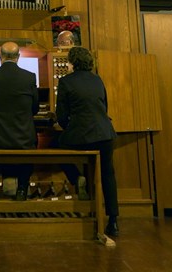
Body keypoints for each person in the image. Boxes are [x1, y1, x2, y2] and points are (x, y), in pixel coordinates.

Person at [55, 45, 119, 237]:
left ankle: (77, 178)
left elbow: (61, 116)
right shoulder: (97, 80)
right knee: (108, 173)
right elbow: (104, 107)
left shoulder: (66, 82)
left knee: (55, 145)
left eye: (68, 62)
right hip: (105, 134)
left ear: (72, 63)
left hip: (81, 135)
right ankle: (113, 221)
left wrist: (70, 128)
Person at [0, 41, 39, 200]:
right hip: (22, 139)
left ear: (0, 56)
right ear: (18, 57)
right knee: (31, 143)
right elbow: (35, 109)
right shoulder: (29, 77)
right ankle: (22, 189)